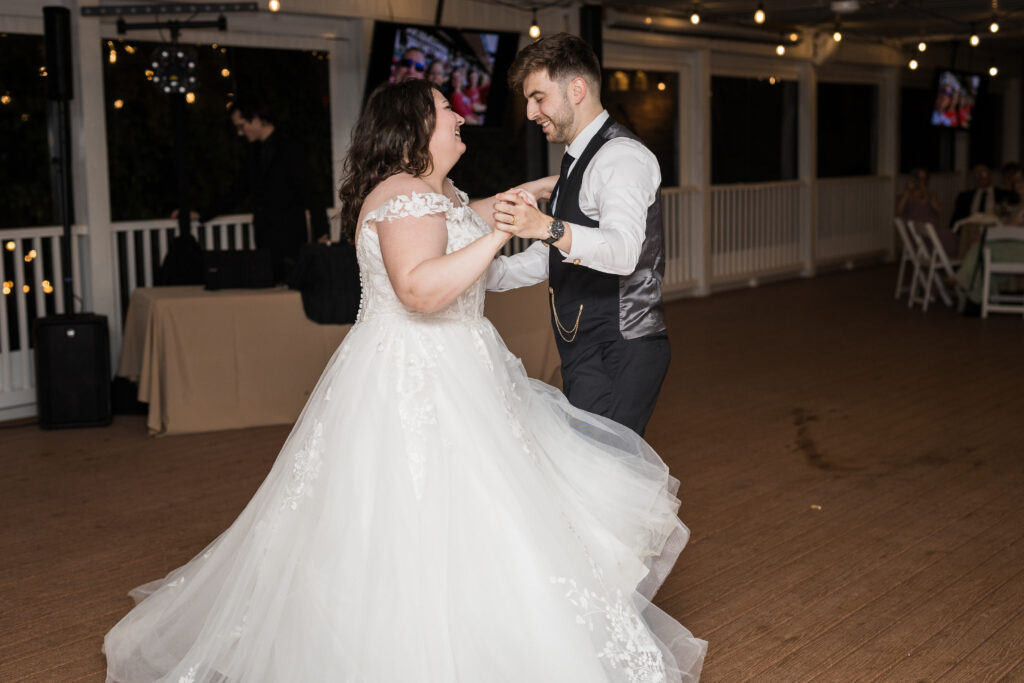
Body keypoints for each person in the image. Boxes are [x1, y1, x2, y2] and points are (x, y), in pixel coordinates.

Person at [103, 79, 707, 683]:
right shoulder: (402, 196)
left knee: (490, 511)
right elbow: (419, 291)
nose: (460, 117)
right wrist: (504, 231)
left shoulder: (432, 192)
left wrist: (524, 196)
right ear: (416, 126)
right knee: (423, 512)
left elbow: (456, 218)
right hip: (415, 373)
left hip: (464, 365)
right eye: (448, 110)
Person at [487, 32, 670, 438]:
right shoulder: (577, 158)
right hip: (585, 348)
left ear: (577, 89)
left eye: (538, 97)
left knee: (605, 477)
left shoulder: (621, 157)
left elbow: (623, 253)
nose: (531, 112)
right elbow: (555, 254)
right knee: (591, 475)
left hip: (620, 347)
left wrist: (543, 225)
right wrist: (481, 276)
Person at [179, 100, 329, 283]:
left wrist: (322, 234)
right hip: (264, 240)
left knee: (292, 292)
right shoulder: (253, 152)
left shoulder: (290, 147)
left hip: (291, 239)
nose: (240, 133)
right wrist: (202, 213)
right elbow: (238, 191)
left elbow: (311, 192)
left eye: (242, 126)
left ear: (257, 119)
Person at [895, 167, 954, 254]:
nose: (920, 181)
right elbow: (898, 213)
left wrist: (925, 191)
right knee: (945, 238)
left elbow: (938, 208)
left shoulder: (931, 194)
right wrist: (907, 192)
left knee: (950, 235)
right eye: (919, 178)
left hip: (933, 232)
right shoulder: (905, 196)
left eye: (924, 179)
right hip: (917, 235)